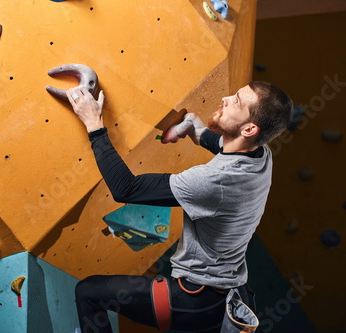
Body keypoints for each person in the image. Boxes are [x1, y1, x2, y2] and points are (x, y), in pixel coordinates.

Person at [65, 82, 293, 333]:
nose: (226, 98)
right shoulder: (260, 154)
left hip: (194, 299)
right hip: (228, 295)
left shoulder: (212, 182)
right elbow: (220, 142)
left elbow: (126, 189)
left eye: (237, 101)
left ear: (250, 128)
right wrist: (193, 128)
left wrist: (94, 125)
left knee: (88, 292)